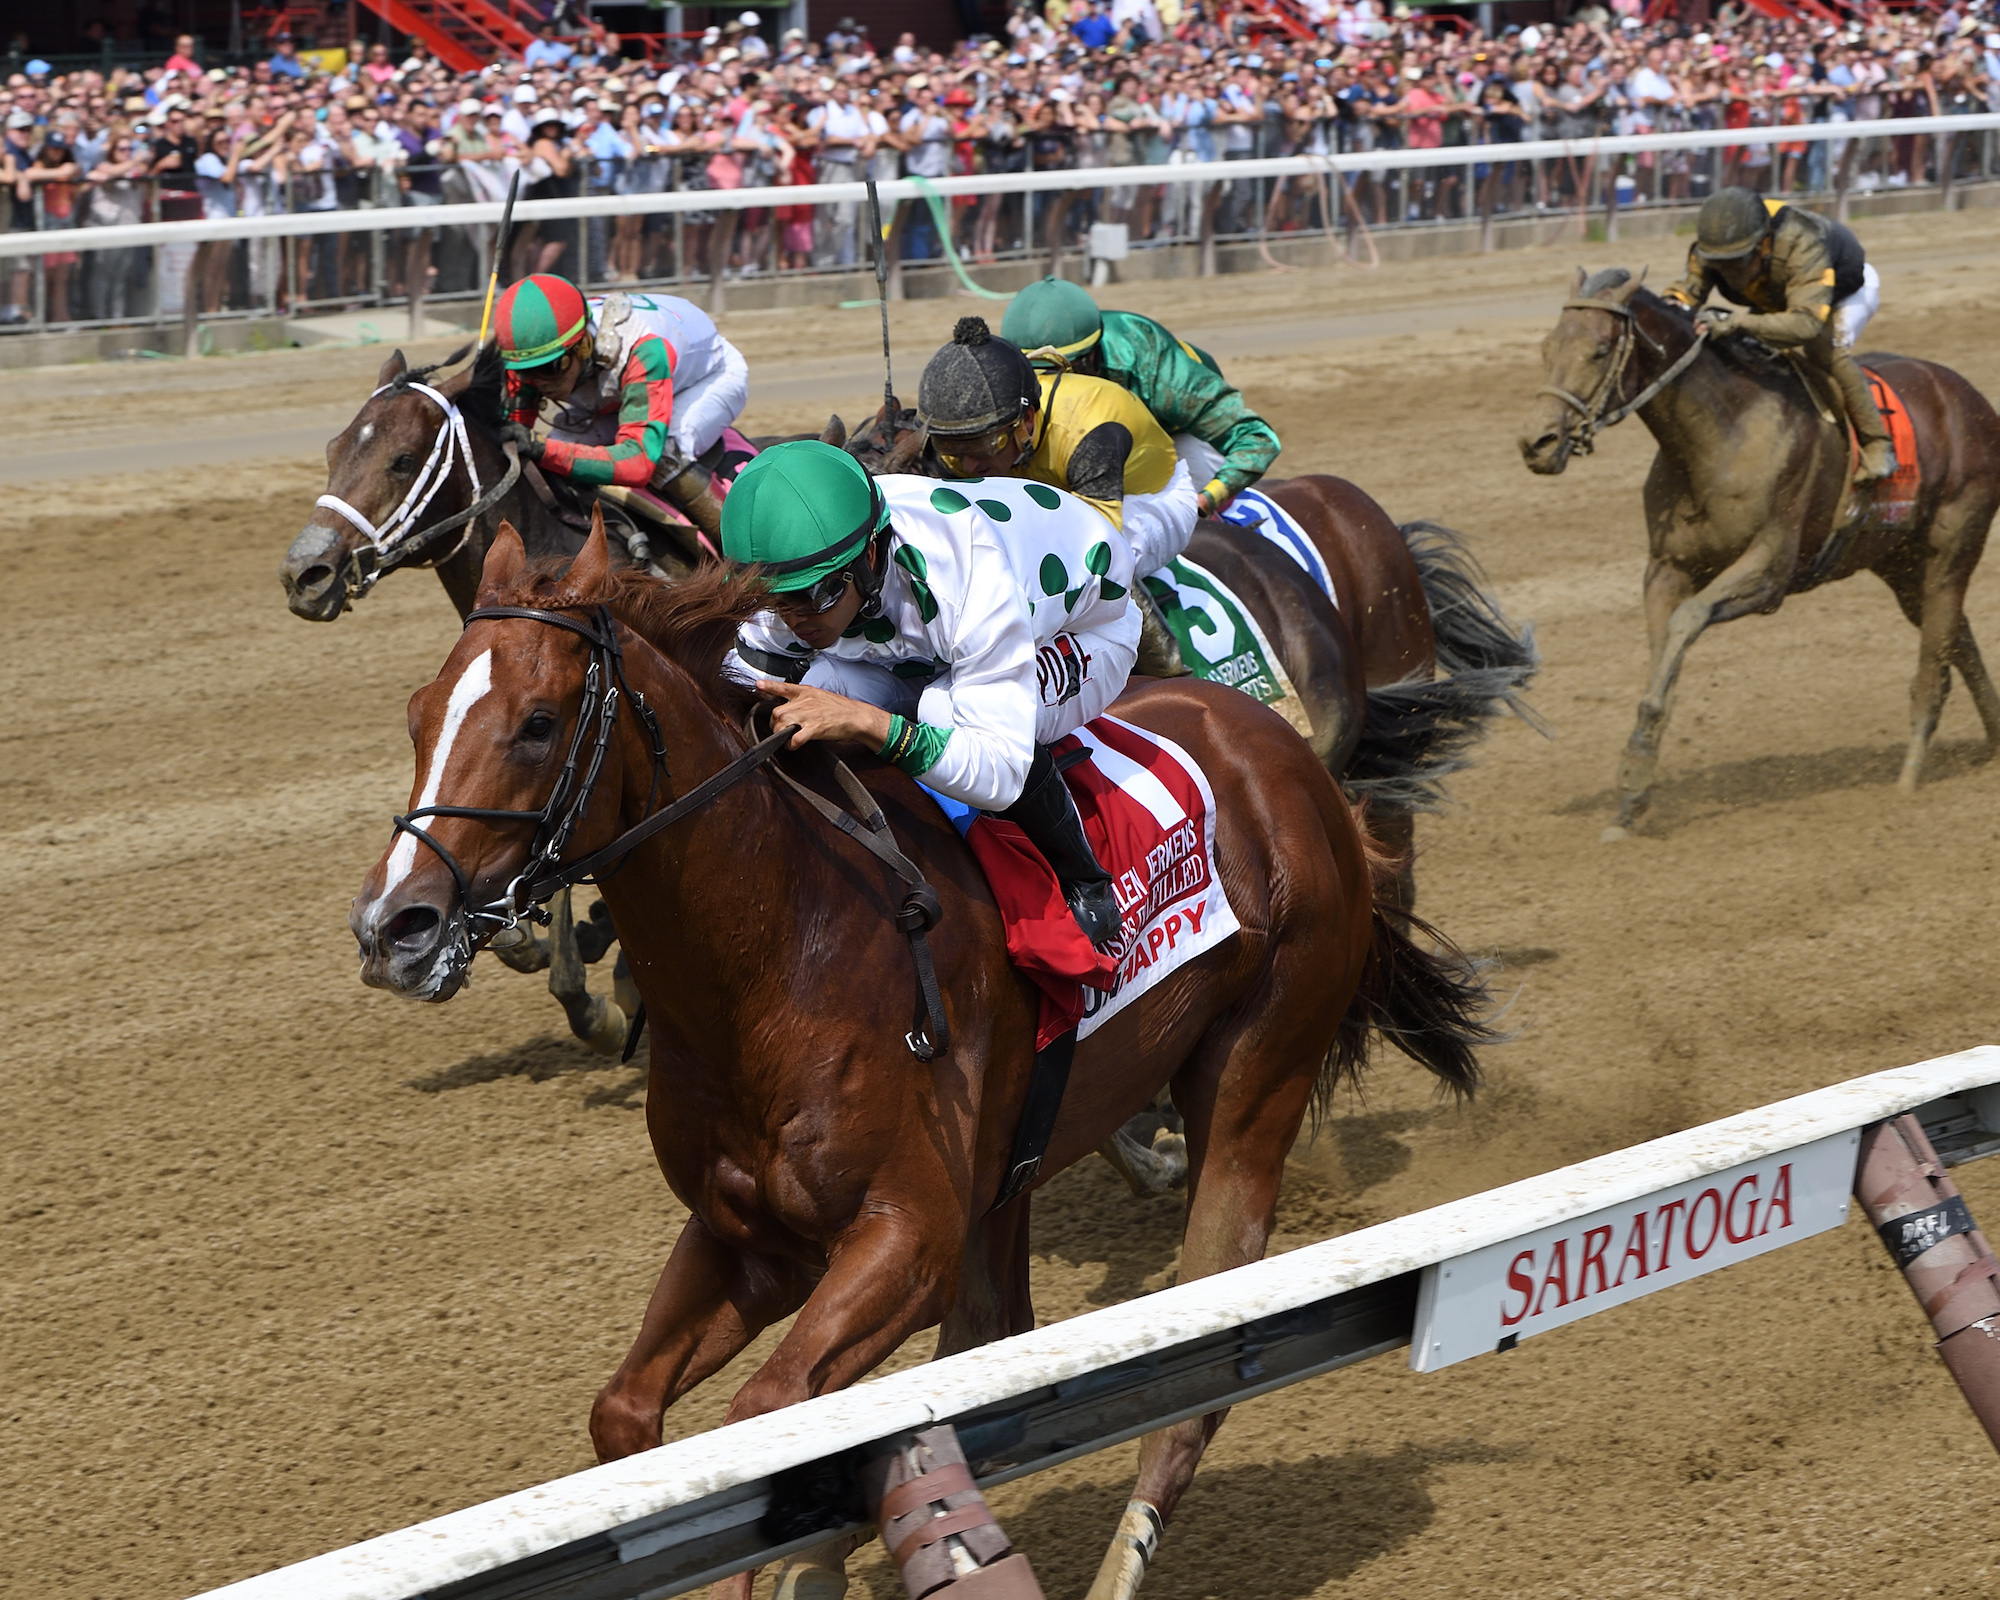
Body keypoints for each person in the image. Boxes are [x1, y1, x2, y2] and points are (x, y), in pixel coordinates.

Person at [723, 441, 1139, 946]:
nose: (793, 620)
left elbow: (998, 772)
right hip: (923, 647)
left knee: (941, 710)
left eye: (815, 596)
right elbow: (737, 692)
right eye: (772, 600)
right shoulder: (798, 578)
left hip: (1078, 629)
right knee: (804, 693)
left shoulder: (961, 564)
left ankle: (1084, 879)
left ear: (870, 555)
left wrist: (867, 723)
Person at [917, 315, 1197, 676]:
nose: (970, 464)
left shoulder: (1091, 429)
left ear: (1028, 420)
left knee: (1094, 559)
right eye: (952, 449)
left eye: (988, 444)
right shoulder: (971, 449)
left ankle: (1165, 666)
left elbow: (1100, 548)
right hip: (1055, 491)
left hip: (1148, 499)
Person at [1663, 187, 1894, 482]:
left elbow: (1806, 325)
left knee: (1824, 352)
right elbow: (1686, 294)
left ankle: (1877, 445)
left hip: (1841, 293)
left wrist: (1737, 322)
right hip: (1777, 298)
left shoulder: (1803, 242)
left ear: (1765, 242)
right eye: (1721, 264)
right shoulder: (1715, 248)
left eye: (1739, 261)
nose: (1729, 272)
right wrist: (1668, 308)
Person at [1001, 275, 1280, 515]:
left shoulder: (1157, 373)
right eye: (1035, 371)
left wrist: (1203, 502)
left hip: (1179, 433)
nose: (1048, 383)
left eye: (1064, 370)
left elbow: (1256, 439)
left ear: (1093, 354)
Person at [493, 272, 751, 488]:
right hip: (614, 392)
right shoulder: (526, 355)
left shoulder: (643, 350)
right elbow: (512, 440)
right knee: (558, 455)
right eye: (527, 372)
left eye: (550, 368)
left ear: (582, 346)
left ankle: (726, 538)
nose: (538, 382)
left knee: (664, 457)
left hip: (708, 378)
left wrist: (541, 448)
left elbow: (638, 463)